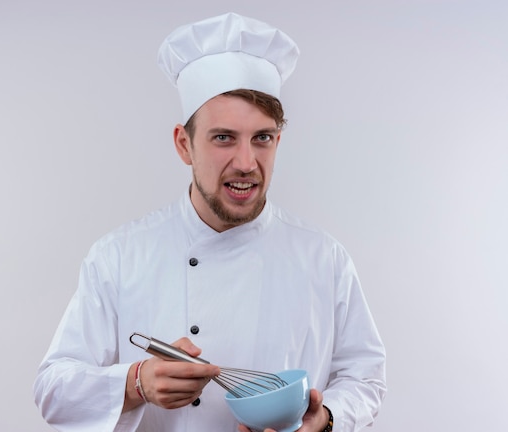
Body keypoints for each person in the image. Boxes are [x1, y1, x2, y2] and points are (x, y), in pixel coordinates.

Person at [34, 12, 386, 432]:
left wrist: (326, 419)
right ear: (184, 144)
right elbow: (52, 389)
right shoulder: (119, 256)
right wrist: (134, 383)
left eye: (263, 138)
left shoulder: (324, 257)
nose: (246, 163)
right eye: (223, 138)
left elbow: (364, 375)